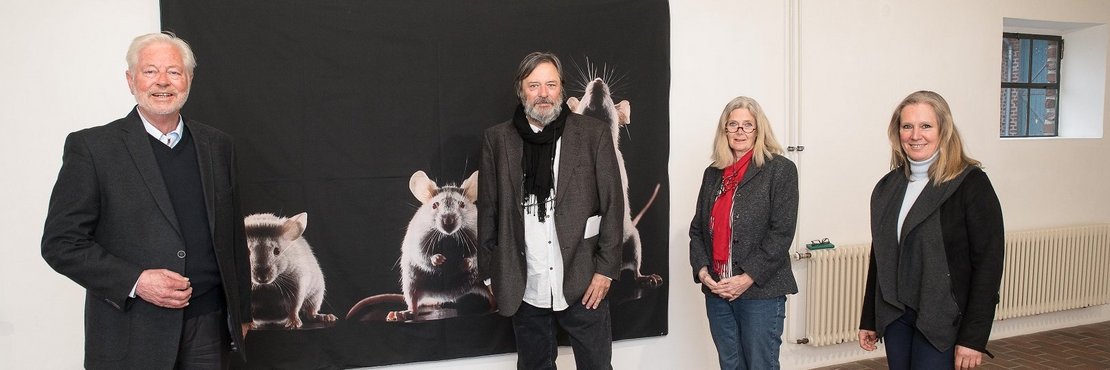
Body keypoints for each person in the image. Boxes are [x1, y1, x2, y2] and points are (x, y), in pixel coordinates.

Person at [41, 32, 251, 369]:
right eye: (150, 71)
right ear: (130, 79)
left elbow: (233, 238)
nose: (162, 82)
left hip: (209, 328)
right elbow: (60, 244)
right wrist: (137, 281)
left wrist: (242, 313)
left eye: (174, 71)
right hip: (132, 331)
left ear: (189, 79)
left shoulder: (218, 146)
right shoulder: (93, 149)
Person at [477, 51, 624, 369]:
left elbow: (613, 205)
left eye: (551, 84)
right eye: (534, 85)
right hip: (524, 284)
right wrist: (491, 272)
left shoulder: (592, 134)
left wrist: (605, 270)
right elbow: (488, 208)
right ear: (521, 90)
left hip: (584, 281)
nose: (543, 94)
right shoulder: (498, 140)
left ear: (561, 89)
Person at [858, 90, 1005, 370]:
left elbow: (989, 265)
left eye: (926, 126)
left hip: (943, 319)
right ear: (897, 132)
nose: (916, 135)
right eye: (907, 126)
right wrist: (870, 318)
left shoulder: (971, 184)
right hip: (897, 316)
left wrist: (974, 337)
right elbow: (881, 256)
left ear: (943, 130)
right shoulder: (888, 188)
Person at [688, 96, 799, 369]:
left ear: (759, 130)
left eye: (747, 125)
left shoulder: (780, 170)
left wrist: (746, 277)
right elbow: (697, 230)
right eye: (733, 125)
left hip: (761, 292)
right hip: (718, 292)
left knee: (760, 365)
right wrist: (703, 273)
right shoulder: (713, 174)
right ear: (724, 131)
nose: (740, 132)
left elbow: (781, 233)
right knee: (731, 364)